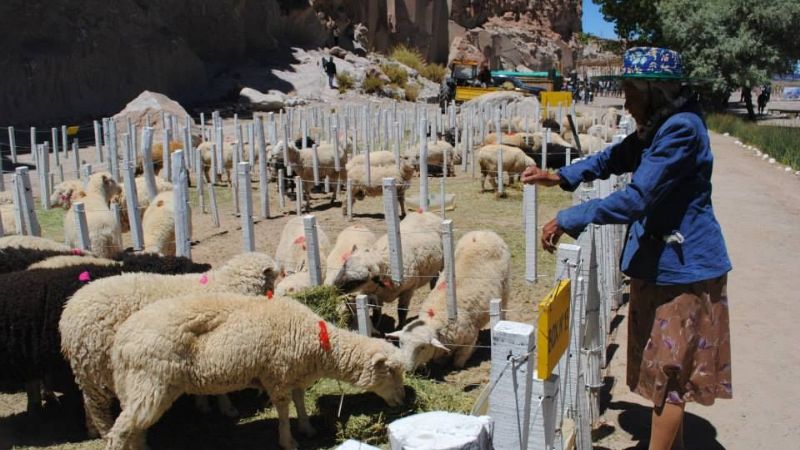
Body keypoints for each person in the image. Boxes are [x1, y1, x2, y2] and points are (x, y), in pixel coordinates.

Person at [522, 47, 732, 450]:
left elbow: (637, 199)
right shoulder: (661, 125)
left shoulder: (681, 129)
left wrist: (570, 217)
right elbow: (615, 157)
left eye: (632, 93)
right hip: (662, 263)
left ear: (654, 91)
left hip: (684, 268)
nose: (627, 102)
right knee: (666, 369)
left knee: (672, 374)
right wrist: (560, 176)